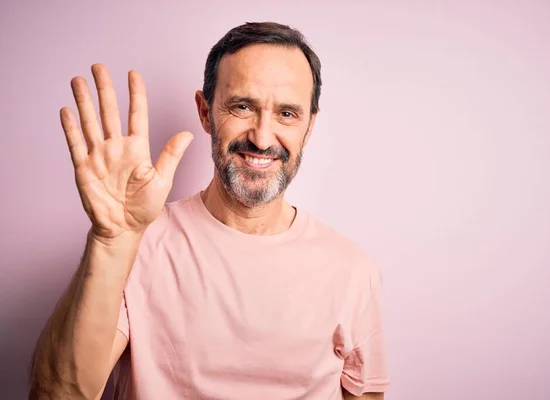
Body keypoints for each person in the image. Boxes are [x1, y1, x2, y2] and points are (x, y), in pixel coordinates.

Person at [29, 22, 389, 400]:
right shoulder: (137, 246)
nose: (262, 138)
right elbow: (56, 394)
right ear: (205, 112)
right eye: (243, 106)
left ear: (309, 127)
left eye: (287, 114)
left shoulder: (352, 271)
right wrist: (111, 240)